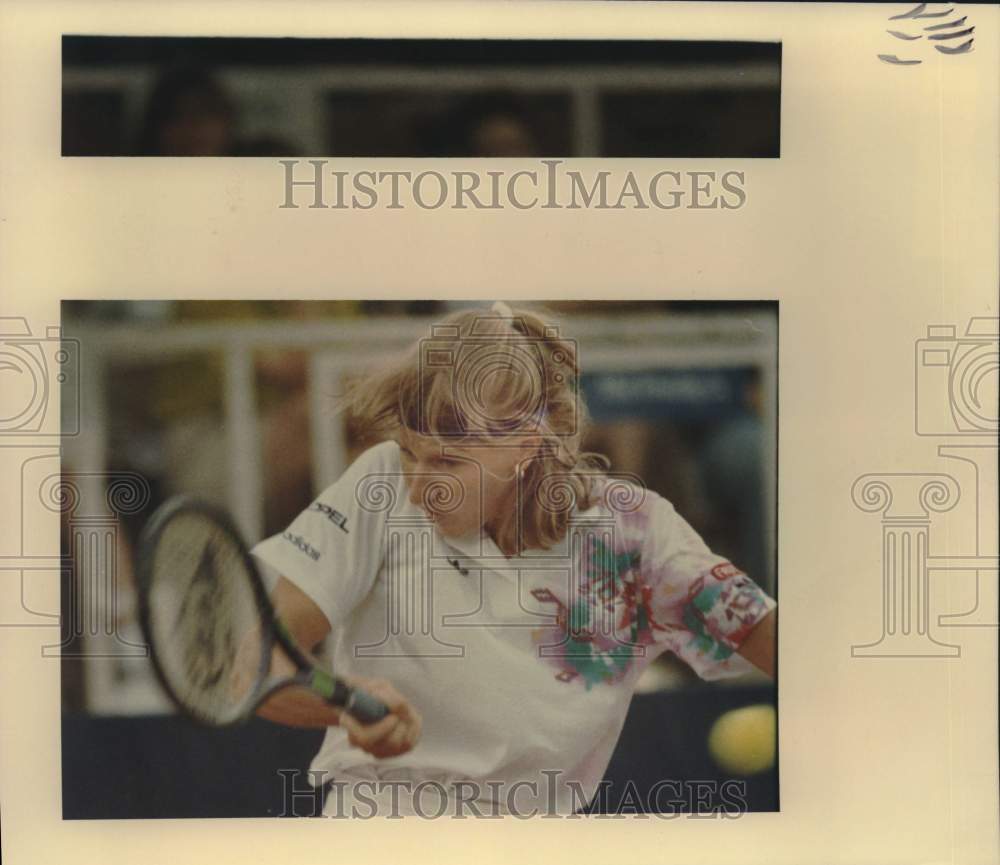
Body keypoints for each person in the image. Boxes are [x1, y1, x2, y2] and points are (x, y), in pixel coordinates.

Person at [249, 303, 776, 817]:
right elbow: (257, 662)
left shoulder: (635, 534)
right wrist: (340, 702)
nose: (418, 485)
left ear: (526, 445)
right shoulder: (379, 484)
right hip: (379, 820)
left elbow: (779, 644)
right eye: (410, 452)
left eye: (448, 462)